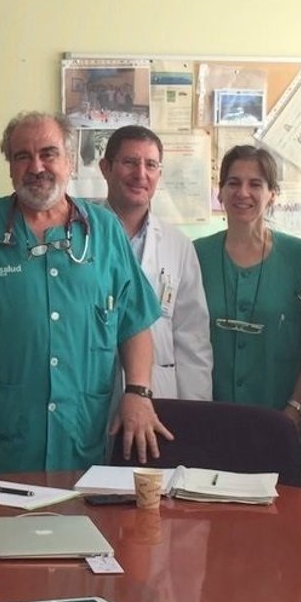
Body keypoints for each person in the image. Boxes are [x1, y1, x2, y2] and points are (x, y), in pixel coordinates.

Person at [0, 111, 169, 475]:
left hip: (80, 436)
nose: (36, 167)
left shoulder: (105, 231)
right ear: (10, 167)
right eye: (22, 156)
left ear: (70, 160)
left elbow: (134, 321)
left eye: (48, 154)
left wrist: (138, 393)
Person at [194, 145, 301, 430]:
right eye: (233, 183)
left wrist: (296, 407)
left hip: (279, 420)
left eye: (255, 184)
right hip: (207, 417)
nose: (243, 192)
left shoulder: (299, 256)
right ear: (220, 192)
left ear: (273, 194)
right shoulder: (196, 254)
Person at [99, 125, 212, 400]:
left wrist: (194, 412)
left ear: (159, 174)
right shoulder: (81, 235)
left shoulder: (178, 245)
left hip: (160, 395)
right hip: (94, 393)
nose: (141, 174)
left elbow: (192, 341)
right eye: (129, 162)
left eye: (150, 165)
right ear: (105, 168)